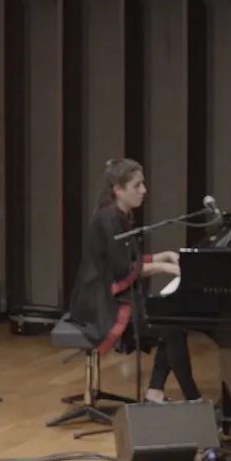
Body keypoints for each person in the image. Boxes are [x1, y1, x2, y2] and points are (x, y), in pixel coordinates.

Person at [68, 159, 199, 403]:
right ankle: (190, 399)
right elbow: (122, 269)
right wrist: (164, 267)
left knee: (172, 323)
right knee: (171, 327)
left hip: (113, 294)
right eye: (137, 185)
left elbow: (127, 259)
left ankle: (157, 392)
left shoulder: (119, 216)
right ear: (118, 189)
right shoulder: (109, 220)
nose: (144, 191)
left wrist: (163, 255)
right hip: (102, 303)